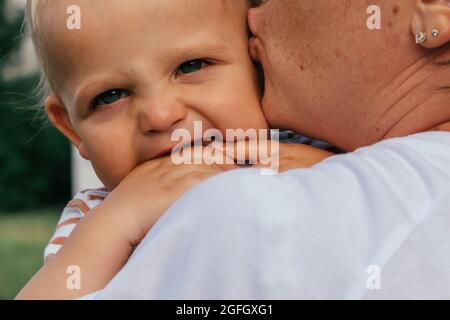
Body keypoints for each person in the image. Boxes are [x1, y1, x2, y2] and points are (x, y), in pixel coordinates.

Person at [88, 0, 450, 299]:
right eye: (110, 95)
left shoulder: (248, 213)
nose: (251, 16)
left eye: (194, 65)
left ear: (435, 11)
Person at [16, 0, 331, 299]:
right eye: (111, 95)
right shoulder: (97, 216)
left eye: (191, 66)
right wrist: (120, 220)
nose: (160, 115)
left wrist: (326, 173)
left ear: (260, 64)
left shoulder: (314, 156)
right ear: (72, 128)